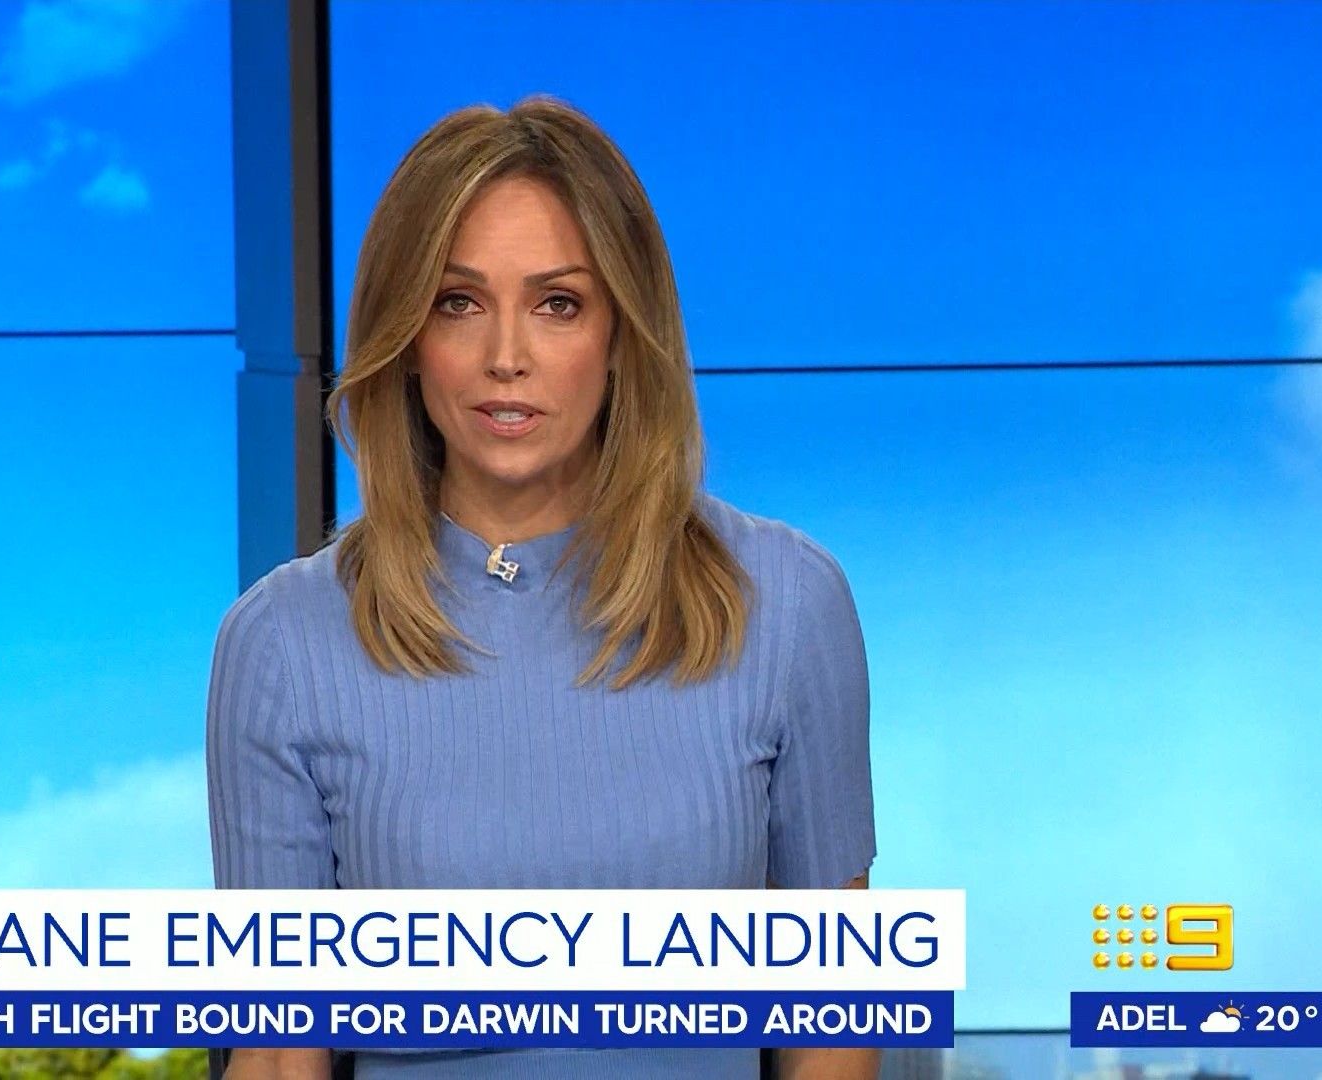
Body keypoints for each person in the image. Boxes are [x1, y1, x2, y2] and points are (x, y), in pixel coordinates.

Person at [206, 94, 878, 1080]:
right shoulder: (285, 643)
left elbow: (834, 1036)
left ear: (622, 332)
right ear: (406, 336)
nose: (506, 358)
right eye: (458, 302)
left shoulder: (785, 606)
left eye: (557, 304)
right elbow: (277, 1059)